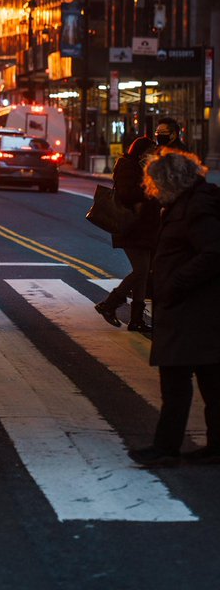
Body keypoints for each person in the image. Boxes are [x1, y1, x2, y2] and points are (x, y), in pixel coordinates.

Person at [128, 149, 220, 468]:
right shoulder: (189, 203)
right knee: (210, 381)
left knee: (177, 382)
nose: (152, 189)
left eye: (155, 182)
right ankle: (214, 446)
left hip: (192, 311)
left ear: (169, 181)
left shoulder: (196, 208)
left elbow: (213, 252)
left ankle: (166, 448)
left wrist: (175, 283)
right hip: (194, 311)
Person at [94, 136, 157, 333]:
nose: (155, 155)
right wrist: (150, 188)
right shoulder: (127, 168)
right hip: (132, 228)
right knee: (140, 272)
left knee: (143, 274)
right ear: (142, 152)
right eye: (152, 151)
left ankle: (136, 319)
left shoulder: (144, 169)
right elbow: (128, 194)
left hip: (146, 228)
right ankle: (109, 304)